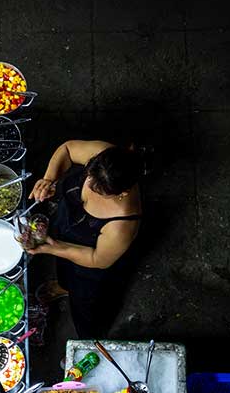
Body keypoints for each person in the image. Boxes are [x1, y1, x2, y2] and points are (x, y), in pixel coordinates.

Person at [27, 141, 144, 338]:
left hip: (91, 267)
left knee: (86, 305)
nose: (88, 186)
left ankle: (90, 339)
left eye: (99, 190)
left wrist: (54, 248)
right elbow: (67, 150)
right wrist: (49, 179)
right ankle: (64, 286)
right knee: (64, 268)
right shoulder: (104, 158)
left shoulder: (122, 225)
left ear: (122, 193)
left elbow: (97, 259)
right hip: (67, 229)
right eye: (89, 176)